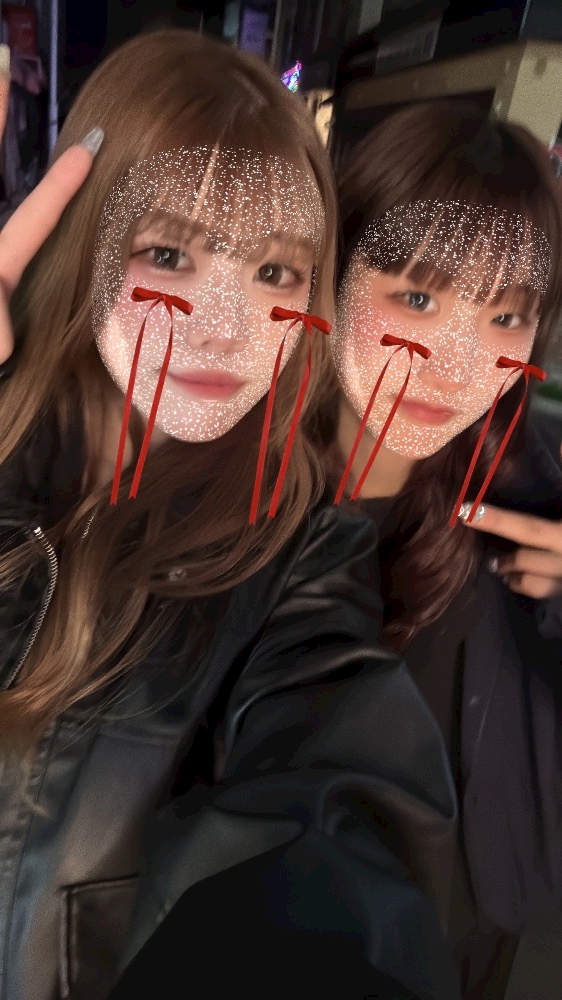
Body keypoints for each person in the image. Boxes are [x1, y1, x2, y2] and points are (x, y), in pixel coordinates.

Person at [0, 32, 461, 1000]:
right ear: (82, 249)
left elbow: (335, 820)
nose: (227, 329)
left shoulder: (299, 554)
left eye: (276, 273)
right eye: (170, 254)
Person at [322, 100, 562, 999]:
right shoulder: (222, 475)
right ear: (335, 269)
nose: (458, 364)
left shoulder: (534, 492)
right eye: (418, 297)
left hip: (455, 939)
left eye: (507, 317)